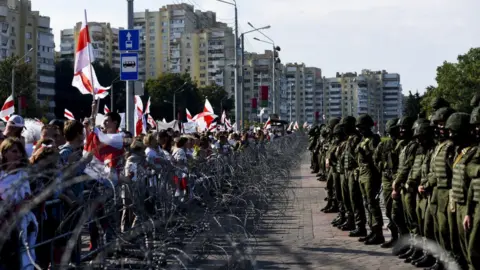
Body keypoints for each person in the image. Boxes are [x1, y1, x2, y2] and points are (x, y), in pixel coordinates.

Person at [355, 114, 383, 244]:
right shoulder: (363, 139)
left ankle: (378, 233)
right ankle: (372, 230)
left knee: (372, 204)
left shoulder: (374, 139)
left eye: (362, 127)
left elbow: (375, 158)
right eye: (359, 127)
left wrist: (364, 152)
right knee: (366, 203)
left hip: (371, 175)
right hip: (363, 174)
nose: (360, 130)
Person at [373, 118, 399, 248]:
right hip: (388, 179)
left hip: (400, 180)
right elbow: (375, 159)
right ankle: (395, 237)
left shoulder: (403, 145)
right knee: (389, 210)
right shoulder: (384, 145)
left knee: (401, 212)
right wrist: (383, 167)